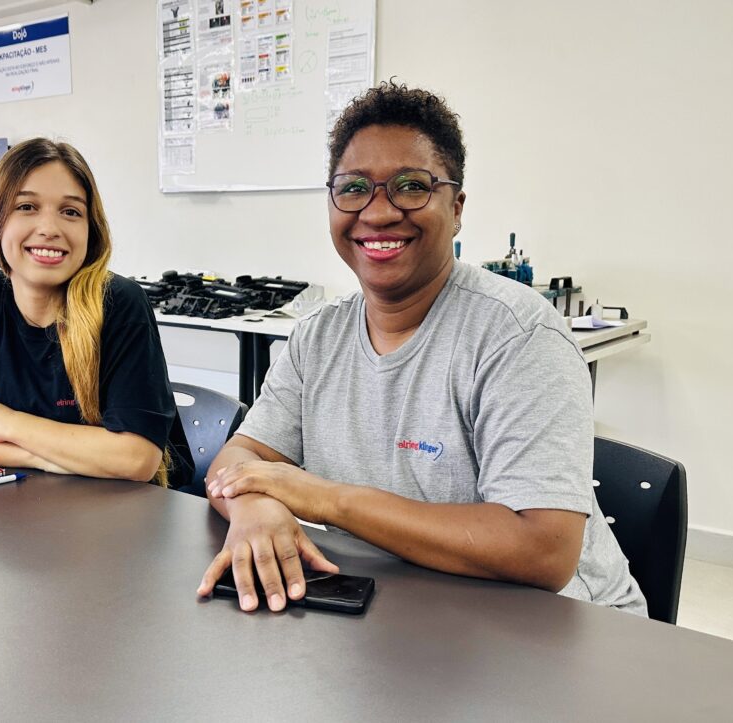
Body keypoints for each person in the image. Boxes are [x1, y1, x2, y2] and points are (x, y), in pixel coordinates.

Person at [196, 81, 646, 615]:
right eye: (354, 187)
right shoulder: (316, 337)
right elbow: (238, 459)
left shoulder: (519, 337)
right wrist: (255, 509)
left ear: (456, 209)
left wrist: (325, 498)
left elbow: (543, 551)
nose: (379, 213)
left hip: (553, 630)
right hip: (399, 613)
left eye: (411, 186)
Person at [0, 138, 190, 485]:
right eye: (27, 207)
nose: (49, 228)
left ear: (91, 230)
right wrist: (34, 457)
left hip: (119, 519)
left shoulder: (119, 303)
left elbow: (136, 459)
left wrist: (6, 423)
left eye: (71, 211)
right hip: (17, 510)